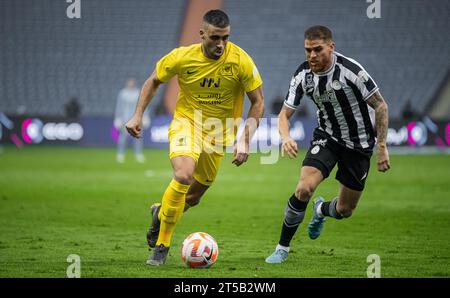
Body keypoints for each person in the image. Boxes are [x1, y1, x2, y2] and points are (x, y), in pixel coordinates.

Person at [125, 10, 264, 266]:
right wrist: (137, 114)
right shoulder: (182, 57)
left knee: (192, 197)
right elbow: (154, 81)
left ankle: (161, 212)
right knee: (183, 175)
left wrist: (245, 139)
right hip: (187, 124)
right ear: (202, 34)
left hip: (218, 135)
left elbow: (258, 102)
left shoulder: (241, 60)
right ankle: (162, 245)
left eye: (225, 38)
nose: (221, 44)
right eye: (214, 38)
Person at [265, 25, 390, 264]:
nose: (312, 55)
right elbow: (283, 115)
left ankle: (321, 210)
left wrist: (381, 146)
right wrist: (286, 137)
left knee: (345, 210)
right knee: (303, 189)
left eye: (318, 50)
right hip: (327, 137)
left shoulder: (351, 71)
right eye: (308, 50)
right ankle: (282, 247)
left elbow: (381, 106)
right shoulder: (303, 75)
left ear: (331, 47)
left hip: (359, 144)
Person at [114, 78, 149, 163]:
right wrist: (117, 118)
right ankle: (120, 154)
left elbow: (143, 105)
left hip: (136, 118)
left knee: (138, 137)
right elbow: (119, 106)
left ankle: (138, 154)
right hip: (125, 119)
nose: (131, 84)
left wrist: (145, 116)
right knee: (123, 137)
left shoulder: (138, 93)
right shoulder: (122, 93)